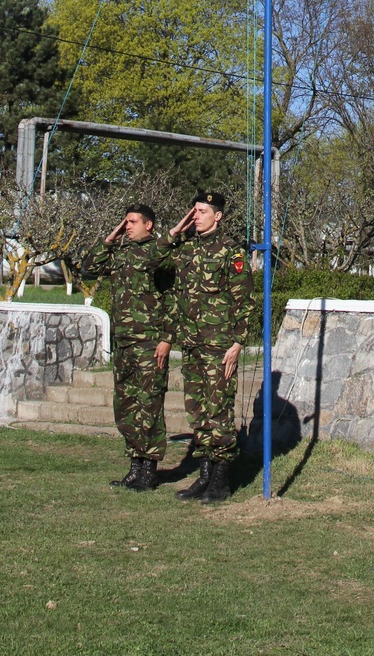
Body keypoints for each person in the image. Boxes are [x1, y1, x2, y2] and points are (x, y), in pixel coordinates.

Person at [160, 189, 253, 503]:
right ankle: (204, 475)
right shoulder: (185, 249)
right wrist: (175, 231)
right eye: (194, 211)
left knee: (219, 412)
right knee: (197, 412)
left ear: (218, 216)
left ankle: (221, 480)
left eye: (202, 211)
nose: (196, 216)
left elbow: (245, 300)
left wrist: (238, 342)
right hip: (192, 345)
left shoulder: (231, 252)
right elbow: (155, 258)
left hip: (218, 346)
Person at [87, 204, 171, 492]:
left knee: (149, 404)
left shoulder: (158, 253)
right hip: (123, 342)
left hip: (149, 342)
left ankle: (150, 468)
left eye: (132, 222)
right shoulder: (120, 253)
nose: (127, 226)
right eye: (124, 222)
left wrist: (167, 338)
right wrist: (110, 238)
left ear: (148, 225)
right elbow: (90, 266)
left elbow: (173, 297)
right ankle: (134, 464)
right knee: (125, 406)